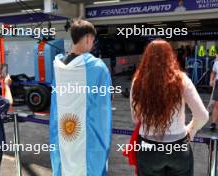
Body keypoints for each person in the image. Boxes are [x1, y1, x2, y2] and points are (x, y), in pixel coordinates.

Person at [130, 40, 208, 176]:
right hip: (178, 146)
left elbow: (136, 118)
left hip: (148, 147)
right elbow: (202, 115)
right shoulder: (182, 79)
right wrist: (191, 130)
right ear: (170, 56)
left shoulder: (138, 82)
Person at [50, 19, 112, 176]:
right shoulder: (98, 67)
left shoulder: (57, 66)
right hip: (88, 140)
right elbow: (105, 103)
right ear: (88, 38)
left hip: (64, 134)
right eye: (93, 40)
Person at [209, 53, 218, 131]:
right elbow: (213, 72)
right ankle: (213, 123)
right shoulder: (216, 62)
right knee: (216, 104)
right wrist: (211, 80)